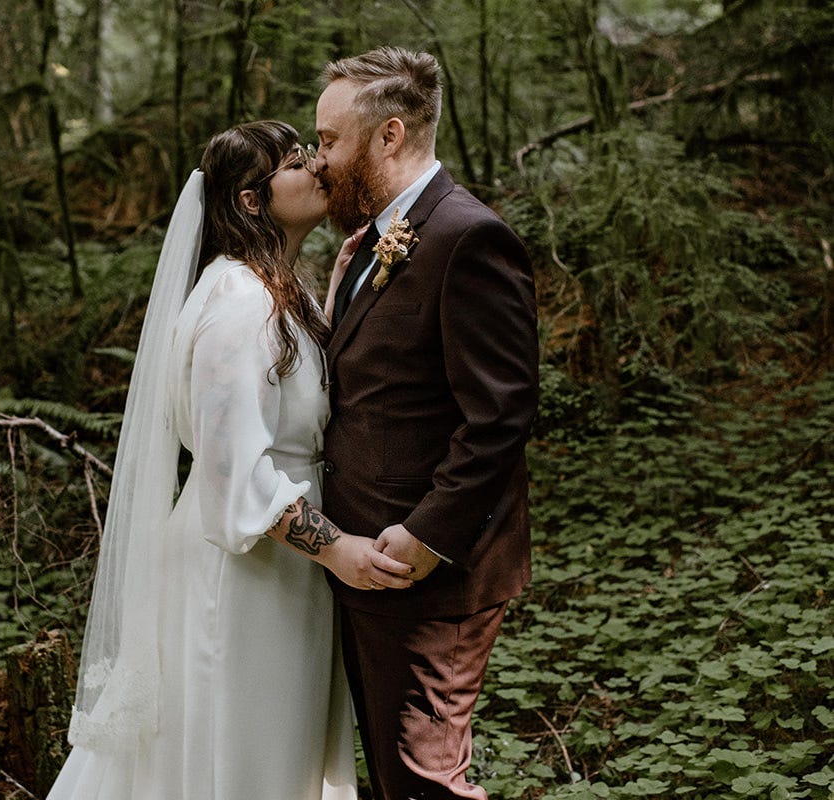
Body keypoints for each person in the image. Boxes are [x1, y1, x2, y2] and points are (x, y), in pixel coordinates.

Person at [46, 120, 415, 800]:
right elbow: (231, 468)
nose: (316, 167)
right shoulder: (236, 304)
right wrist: (336, 549)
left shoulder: (279, 292)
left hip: (279, 566)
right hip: (240, 566)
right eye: (295, 162)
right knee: (236, 754)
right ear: (251, 201)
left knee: (274, 751)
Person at [314, 48, 540, 799]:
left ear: (388, 136)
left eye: (327, 141)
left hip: (429, 572)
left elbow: (500, 413)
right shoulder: (377, 238)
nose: (318, 163)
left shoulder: (466, 237)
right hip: (369, 563)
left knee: (424, 783)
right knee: (391, 776)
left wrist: (429, 532)